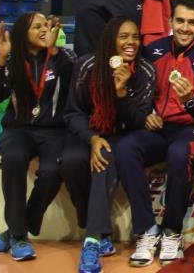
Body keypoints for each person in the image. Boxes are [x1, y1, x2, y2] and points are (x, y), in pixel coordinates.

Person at [115, 0, 194, 267]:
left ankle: (172, 231)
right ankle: (147, 230)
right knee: (125, 148)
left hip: (191, 130)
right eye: (180, 20)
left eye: (192, 23)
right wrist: (146, 113)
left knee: (179, 152)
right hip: (158, 128)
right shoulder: (152, 50)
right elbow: (137, 92)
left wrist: (190, 101)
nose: (185, 27)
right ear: (171, 21)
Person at [61, 17, 156, 273]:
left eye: (135, 37)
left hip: (122, 135)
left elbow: (139, 122)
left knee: (104, 158)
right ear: (111, 38)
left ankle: (91, 241)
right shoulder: (87, 65)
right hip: (88, 132)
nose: (131, 42)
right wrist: (91, 138)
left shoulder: (145, 71)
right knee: (71, 161)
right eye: (124, 36)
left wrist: (123, 92)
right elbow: (73, 112)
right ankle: (99, 229)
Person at [0, 13, 75, 260]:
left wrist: (54, 50)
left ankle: (13, 232)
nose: (45, 29)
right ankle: (20, 235)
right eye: (38, 26)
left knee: (52, 172)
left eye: (47, 25)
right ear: (24, 33)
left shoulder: (63, 57)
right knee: (13, 157)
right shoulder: (12, 60)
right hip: (18, 129)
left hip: (54, 131)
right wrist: (1, 60)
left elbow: (74, 83)